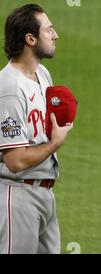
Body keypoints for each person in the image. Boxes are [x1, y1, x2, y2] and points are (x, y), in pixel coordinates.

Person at [0, 4, 73, 254]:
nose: (55, 35)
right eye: (49, 30)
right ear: (30, 39)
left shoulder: (43, 74)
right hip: (17, 197)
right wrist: (55, 143)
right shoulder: (9, 88)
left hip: (45, 195)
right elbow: (15, 160)